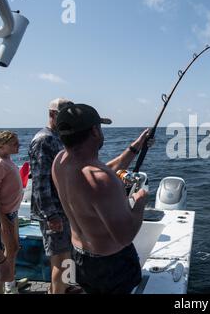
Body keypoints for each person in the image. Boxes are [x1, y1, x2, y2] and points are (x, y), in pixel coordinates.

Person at [52, 104, 152, 294]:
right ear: (95, 131)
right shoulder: (101, 180)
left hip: (80, 257)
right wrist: (140, 201)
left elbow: (101, 173)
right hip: (110, 264)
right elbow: (125, 236)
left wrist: (136, 146)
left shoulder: (60, 162)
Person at [28, 98, 77, 294]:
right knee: (61, 258)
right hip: (55, 212)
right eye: (65, 117)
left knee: (68, 257)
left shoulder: (59, 137)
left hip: (66, 210)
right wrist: (51, 215)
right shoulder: (44, 140)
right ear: (52, 115)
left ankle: (64, 288)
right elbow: (40, 182)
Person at [0, 131, 23, 294]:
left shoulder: (8, 160)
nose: (19, 145)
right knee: (10, 249)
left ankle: (10, 280)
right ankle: (8, 286)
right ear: (1, 146)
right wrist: (3, 219)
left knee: (14, 248)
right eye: (14, 143)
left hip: (13, 212)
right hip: (5, 215)